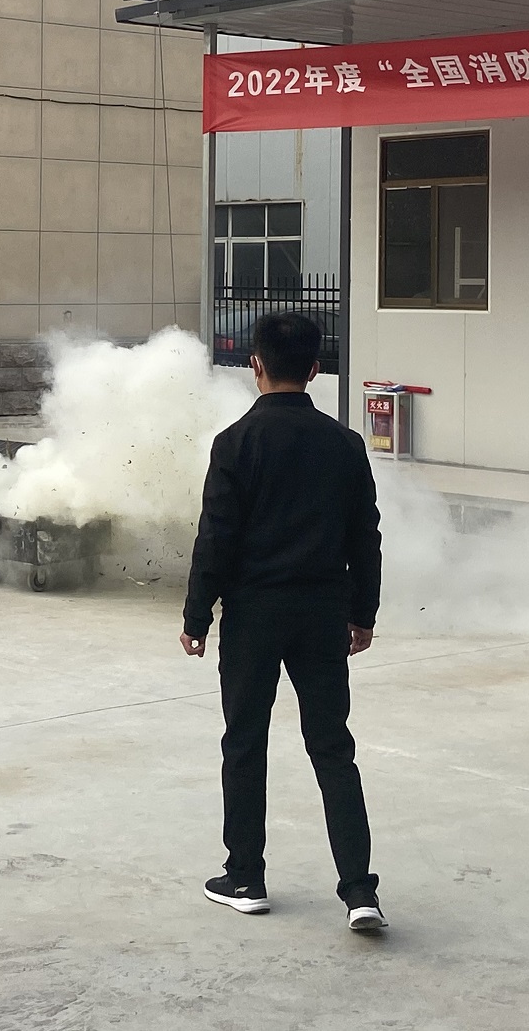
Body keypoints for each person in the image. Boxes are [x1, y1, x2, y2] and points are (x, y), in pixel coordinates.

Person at [180, 311, 385, 934]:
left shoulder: (235, 442)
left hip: (254, 615)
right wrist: (363, 614)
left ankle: (245, 877)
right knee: (332, 748)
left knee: (245, 742)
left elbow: (216, 538)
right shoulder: (345, 444)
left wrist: (197, 615)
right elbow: (365, 537)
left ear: (256, 366)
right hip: (323, 613)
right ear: (316, 370)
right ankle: (359, 892)